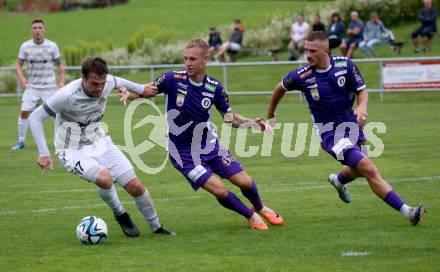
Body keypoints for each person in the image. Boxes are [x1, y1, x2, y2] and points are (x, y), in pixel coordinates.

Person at [121, 39, 283, 230]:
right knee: (220, 191)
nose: (188, 63)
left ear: (205, 59)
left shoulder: (214, 87)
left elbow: (229, 118)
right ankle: (251, 216)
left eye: (192, 59)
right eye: (185, 59)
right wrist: (128, 93)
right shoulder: (172, 79)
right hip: (183, 153)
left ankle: (260, 207)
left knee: (245, 182)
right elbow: (146, 91)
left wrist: (251, 124)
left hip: (209, 145)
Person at [267, 31, 425, 226]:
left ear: (326, 51)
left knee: (357, 170)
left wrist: (362, 107)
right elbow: (279, 88)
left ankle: (338, 181)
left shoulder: (345, 65)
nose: (307, 54)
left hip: (352, 126)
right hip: (329, 133)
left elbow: (362, 90)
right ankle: (408, 211)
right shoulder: (301, 75)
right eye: (306, 50)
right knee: (368, 168)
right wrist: (271, 113)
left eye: (312, 51)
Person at [28, 57, 176, 237]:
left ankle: (157, 228)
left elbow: (118, 81)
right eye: (94, 84)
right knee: (105, 179)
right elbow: (35, 117)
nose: (99, 88)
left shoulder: (107, 82)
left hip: (100, 142)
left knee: (135, 186)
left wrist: (141, 89)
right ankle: (120, 213)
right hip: (71, 151)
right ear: (83, 78)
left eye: (102, 83)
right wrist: (43, 153)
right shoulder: (66, 95)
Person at [12, 19, 65, 150]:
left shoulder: (52, 46)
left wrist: (62, 80)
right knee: (24, 112)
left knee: (56, 114)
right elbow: (18, 65)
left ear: (44, 30)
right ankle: (21, 141)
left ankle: (58, 142)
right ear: (31, 30)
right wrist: (22, 78)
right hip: (33, 87)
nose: (37, 30)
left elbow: (59, 65)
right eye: (35, 28)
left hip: (49, 87)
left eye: (40, 27)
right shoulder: (25, 46)